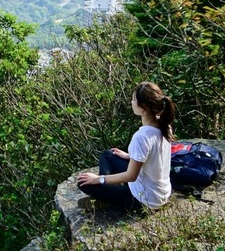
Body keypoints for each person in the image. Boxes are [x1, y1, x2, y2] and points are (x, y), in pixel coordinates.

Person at [76, 81, 177, 210]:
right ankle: (113, 192)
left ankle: (108, 199)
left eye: (133, 100)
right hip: (161, 193)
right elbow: (155, 158)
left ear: (143, 107)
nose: (131, 103)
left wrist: (99, 179)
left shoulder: (141, 137)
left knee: (83, 183)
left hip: (144, 200)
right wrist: (130, 156)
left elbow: (131, 176)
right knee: (108, 155)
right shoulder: (165, 126)